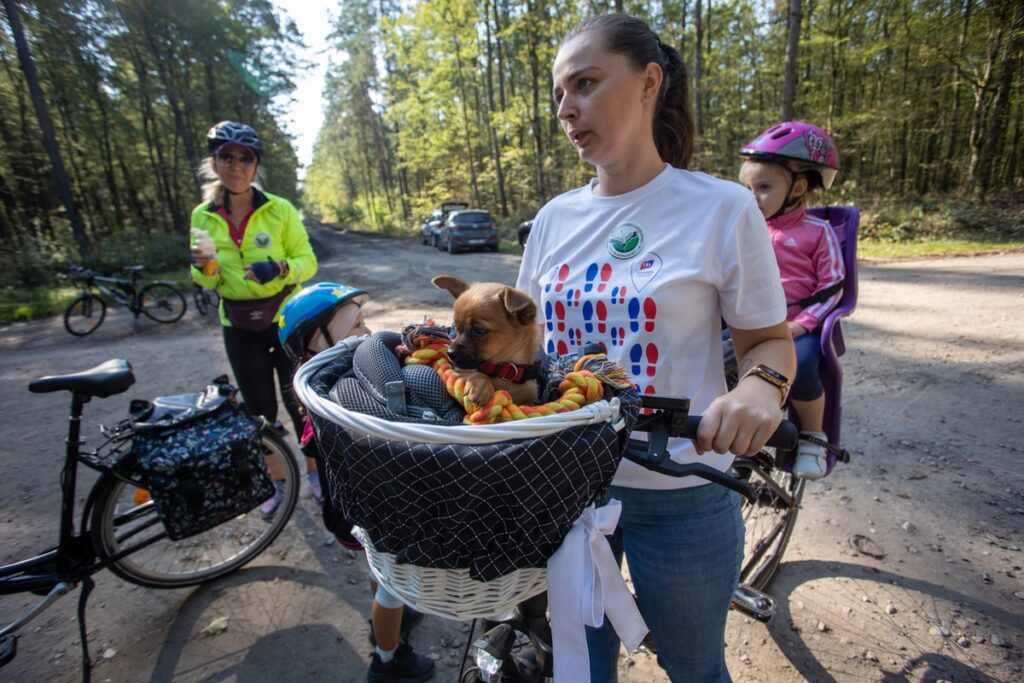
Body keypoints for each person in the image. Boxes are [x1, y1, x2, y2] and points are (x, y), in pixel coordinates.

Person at [516, 14, 796, 683]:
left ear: (648, 83)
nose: (567, 108)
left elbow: (769, 343)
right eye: (559, 94)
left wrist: (760, 387)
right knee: (581, 668)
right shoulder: (553, 219)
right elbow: (525, 351)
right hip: (565, 492)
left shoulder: (722, 207)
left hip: (683, 495)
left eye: (585, 83)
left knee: (695, 665)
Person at [277, 283, 433, 683]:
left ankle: (388, 619)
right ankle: (387, 659)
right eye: (357, 324)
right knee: (390, 587)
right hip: (369, 514)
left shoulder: (321, 381)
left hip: (351, 510)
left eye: (365, 321)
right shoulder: (340, 395)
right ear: (318, 339)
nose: (367, 331)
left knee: (379, 576)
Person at [190, 120, 319, 516]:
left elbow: (307, 262)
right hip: (238, 323)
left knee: (301, 402)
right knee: (259, 412)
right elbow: (203, 275)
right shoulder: (203, 215)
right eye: (226, 156)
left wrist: (279, 268)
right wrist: (205, 269)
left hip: (283, 320)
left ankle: (316, 475)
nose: (236, 166)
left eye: (245, 158)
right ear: (214, 162)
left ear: (255, 165)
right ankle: (277, 481)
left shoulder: (279, 209)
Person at [738, 121, 844, 480]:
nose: (751, 197)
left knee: (800, 363)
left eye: (764, 187)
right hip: (754, 322)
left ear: (798, 187)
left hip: (801, 325)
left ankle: (813, 434)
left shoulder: (818, 232)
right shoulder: (748, 230)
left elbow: (833, 285)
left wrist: (801, 325)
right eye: (746, 187)